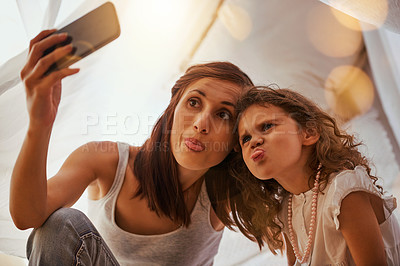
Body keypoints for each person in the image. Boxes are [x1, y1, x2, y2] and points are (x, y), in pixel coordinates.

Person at [9, 29, 254, 265]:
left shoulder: (227, 196)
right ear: (173, 108)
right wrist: (39, 124)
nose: (201, 124)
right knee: (61, 223)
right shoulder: (105, 162)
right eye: (193, 102)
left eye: (223, 114)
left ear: (237, 139)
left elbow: (289, 209)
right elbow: (28, 216)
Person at [229, 86, 400, 265]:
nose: (255, 141)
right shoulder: (286, 208)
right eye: (245, 139)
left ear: (308, 133)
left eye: (266, 126)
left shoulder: (345, 192)